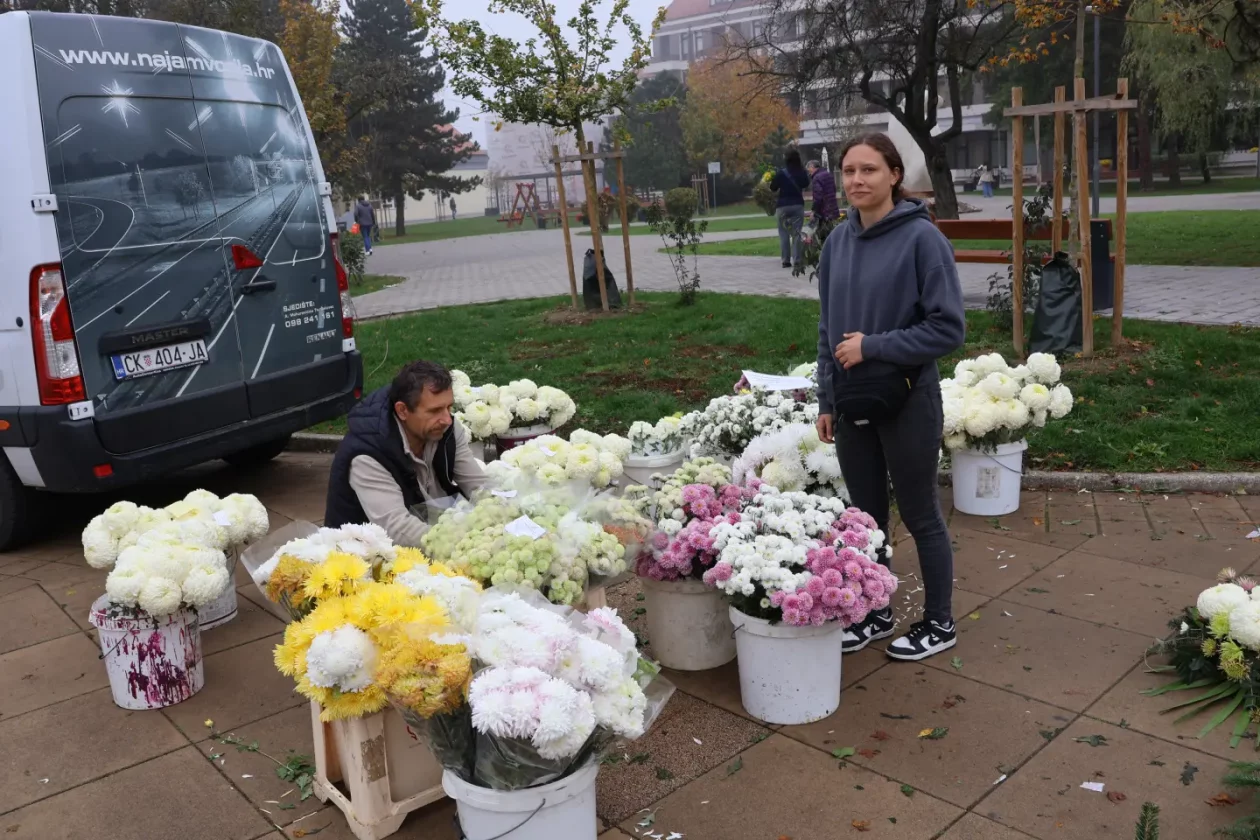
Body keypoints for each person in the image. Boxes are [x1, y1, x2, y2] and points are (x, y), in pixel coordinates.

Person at [814, 132, 966, 662]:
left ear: (894, 175)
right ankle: (875, 611)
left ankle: (939, 622)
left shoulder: (923, 241)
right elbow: (827, 327)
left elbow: (948, 329)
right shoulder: (837, 242)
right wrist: (826, 397)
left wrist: (873, 346)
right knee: (867, 516)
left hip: (908, 399)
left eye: (869, 170)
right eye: (849, 170)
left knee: (921, 512)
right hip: (853, 401)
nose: (857, 180)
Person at [324, 360, 488, 546]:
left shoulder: (446, 428)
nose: (446, 419)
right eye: (434, 411)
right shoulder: (367, 453)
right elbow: (397, 529)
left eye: (449, 407)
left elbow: (478, 486)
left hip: (431, 532)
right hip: (364, 556)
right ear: (402, 411)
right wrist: (466, 546)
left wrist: (501, 519)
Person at [770, 149, 811, 269]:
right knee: (797, 233)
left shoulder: (781, 173)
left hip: (782, 206)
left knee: (783, 234)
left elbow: (773, 187)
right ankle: (797, 260)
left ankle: (785, 260)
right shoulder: (801, 172)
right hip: (797, 205)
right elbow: (805, 184)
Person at [806, 159, 839, 224]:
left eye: (808, 168)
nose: (808, 171)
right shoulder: (828, 174)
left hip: (823, 210)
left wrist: (814, 211)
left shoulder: (816, 178)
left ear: (812, 166)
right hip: (832, 207)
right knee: (830, 230)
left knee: (822, 231)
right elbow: (834, 189)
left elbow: (818, 196)